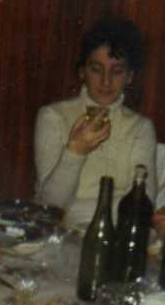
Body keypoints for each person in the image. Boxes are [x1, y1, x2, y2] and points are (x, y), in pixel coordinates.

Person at [34, 18, 156, 227]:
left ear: (129, 76)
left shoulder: (141, 127)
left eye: (117, 71)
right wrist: (75, 151)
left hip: (116, 232)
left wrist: (74, 209)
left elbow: (142, 203)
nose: (106, 81)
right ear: (82, 72)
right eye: (96, 69)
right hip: (59, 233)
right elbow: (50, 206)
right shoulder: (53, 117)